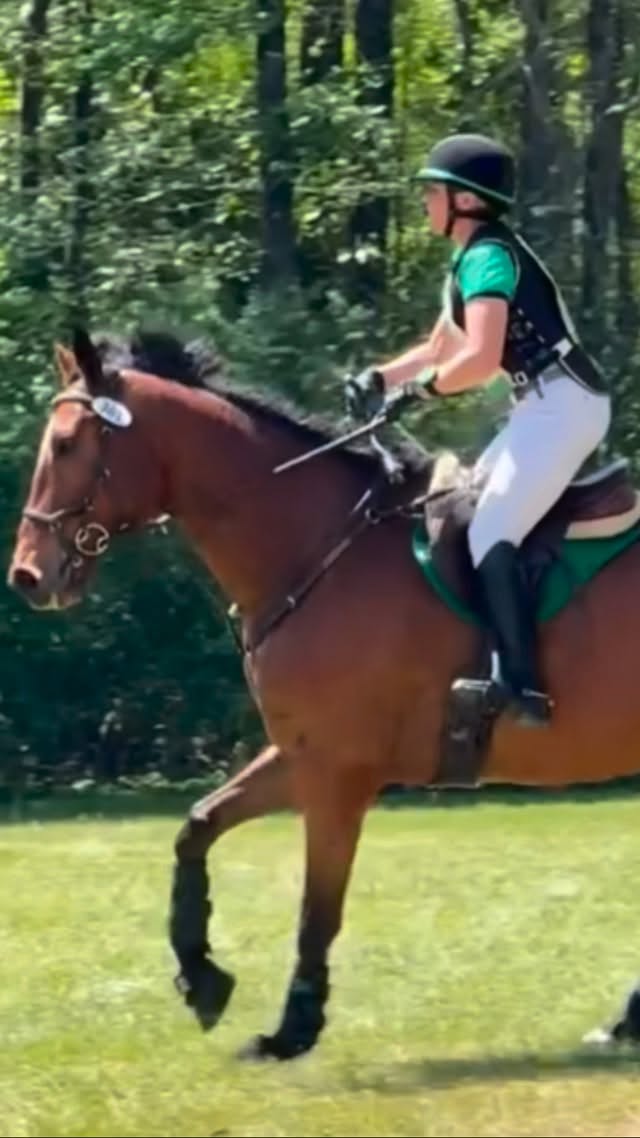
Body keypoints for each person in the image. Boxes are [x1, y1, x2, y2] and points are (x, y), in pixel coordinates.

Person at [346, 132, 612, 727]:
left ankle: (522, 684)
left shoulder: (490, 257)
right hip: (542, 405)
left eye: (433, 192)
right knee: (460, 510)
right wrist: (379, 376)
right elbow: (442, 347)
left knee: (491, 526)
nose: (425, 203)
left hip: (565, 404)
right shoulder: (470, 257)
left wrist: (419, 390)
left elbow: (482, 359)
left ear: (465, 200)